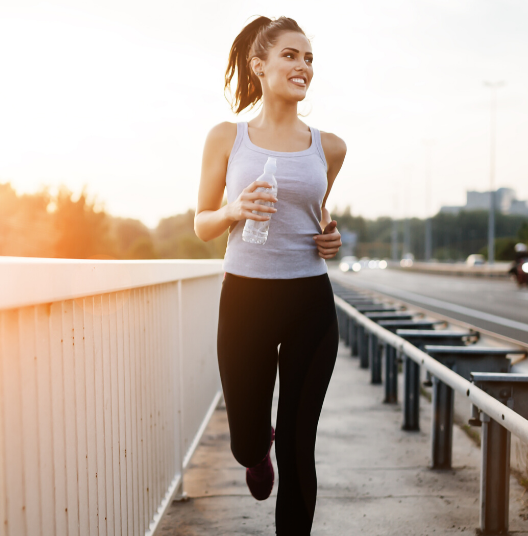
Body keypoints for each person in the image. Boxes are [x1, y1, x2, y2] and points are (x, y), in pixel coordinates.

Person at [193, 15, 346, 535]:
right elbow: (201, 224)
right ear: (259, 66)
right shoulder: (227, 138)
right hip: (246, 303)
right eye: (290, 56)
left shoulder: (330, 147)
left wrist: (331, 237)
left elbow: (316, 217)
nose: (302, 66)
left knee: (300, 444)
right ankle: (256, 452)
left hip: (310, 303)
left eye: (308, 59)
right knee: (247, 439)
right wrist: (234, 208)